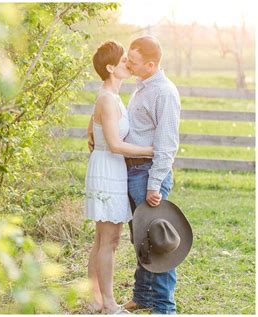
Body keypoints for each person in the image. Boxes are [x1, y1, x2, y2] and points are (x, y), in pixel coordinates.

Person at [85, 40, 153, 314]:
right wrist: (151, 151)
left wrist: (90, 130)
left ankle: (95, 299)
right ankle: (109, 304)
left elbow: (94, 126)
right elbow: (114, 144)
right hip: (108, 169)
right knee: (109, 241)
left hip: (109, 167)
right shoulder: (107, 99)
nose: (129, 63)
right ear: (110, 67)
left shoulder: (109, 96)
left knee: (102, 239)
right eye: (124, 60)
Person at [122, 35, 181, 314]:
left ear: (150, 63)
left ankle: (164, 305)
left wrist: (155, 184)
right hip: (133, 170)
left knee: (157, 241)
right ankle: (143, 295)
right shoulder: (141, 87)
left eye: (133, 61)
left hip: (148, 174)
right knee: (140, 238)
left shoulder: (164, 92)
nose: (128, 64)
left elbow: (167, 143)